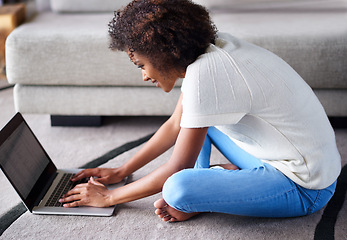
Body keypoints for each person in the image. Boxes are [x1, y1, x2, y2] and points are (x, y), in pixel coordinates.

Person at [59, 0, 341, 222]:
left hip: (307, 187)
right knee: (196, 128)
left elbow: (177, 168)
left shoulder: (208, 76)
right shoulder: (209, 53)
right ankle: (219, 187)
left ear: (165, 54)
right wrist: (121, 170)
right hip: (288, 159)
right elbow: (174, 126)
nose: (144, 76)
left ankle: (209, 191)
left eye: (141, 65)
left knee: (176, 189)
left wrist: (109, 197)